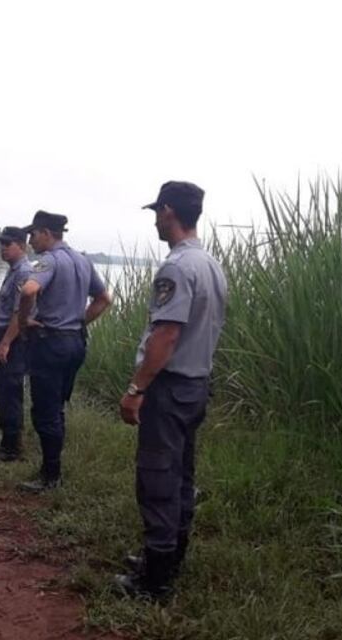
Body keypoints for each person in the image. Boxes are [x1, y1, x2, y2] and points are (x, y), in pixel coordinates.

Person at [113, 181, 227, 601]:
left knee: (158, 478)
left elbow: (166, 335)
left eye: (156, 213)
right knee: (181, 475)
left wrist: (136, 389)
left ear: (167, 211)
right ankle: (169, 558)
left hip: (170, 388)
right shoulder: (210, 264)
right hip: (196, 386)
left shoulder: (177, 267)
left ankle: (155, 581)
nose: (156, 222)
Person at [16, 210, 112, 491]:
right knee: (57, 407)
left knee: (45, 410)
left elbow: (28, 291)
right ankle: (52, 469)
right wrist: (78, 321)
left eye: (33, 234)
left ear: (47, 233)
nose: (30, 240)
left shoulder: (47, 261)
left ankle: (50, 476)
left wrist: (23, 322)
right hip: (75, 342)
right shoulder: (83, 260)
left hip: (50, 344)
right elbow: (104, 299)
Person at [0, 226, 32, 461]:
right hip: (4, 338)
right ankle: (9, 443)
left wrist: (5, 343)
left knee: (9, 391)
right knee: (4, 390)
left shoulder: (23, 272)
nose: (3, 248)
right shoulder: (13, 270)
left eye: (8, 244)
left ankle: (11, 448)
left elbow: (18, 314)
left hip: (11, 341)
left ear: (22, 246)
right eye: (1, 244)